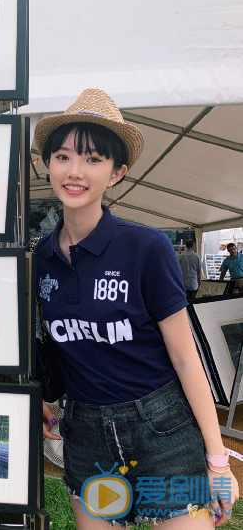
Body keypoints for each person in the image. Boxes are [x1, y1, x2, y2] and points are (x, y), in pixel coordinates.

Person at [34, 89, 238, 528]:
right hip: (86, 435)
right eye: (63, 156)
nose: (75, 171)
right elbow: (55, 346)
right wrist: (43, 399)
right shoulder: (41, 259)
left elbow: (186, 358)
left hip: (163, 429)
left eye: (92, 159)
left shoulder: (147, 247)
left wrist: (218, 461)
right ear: (46, 163)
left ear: (116, 173)